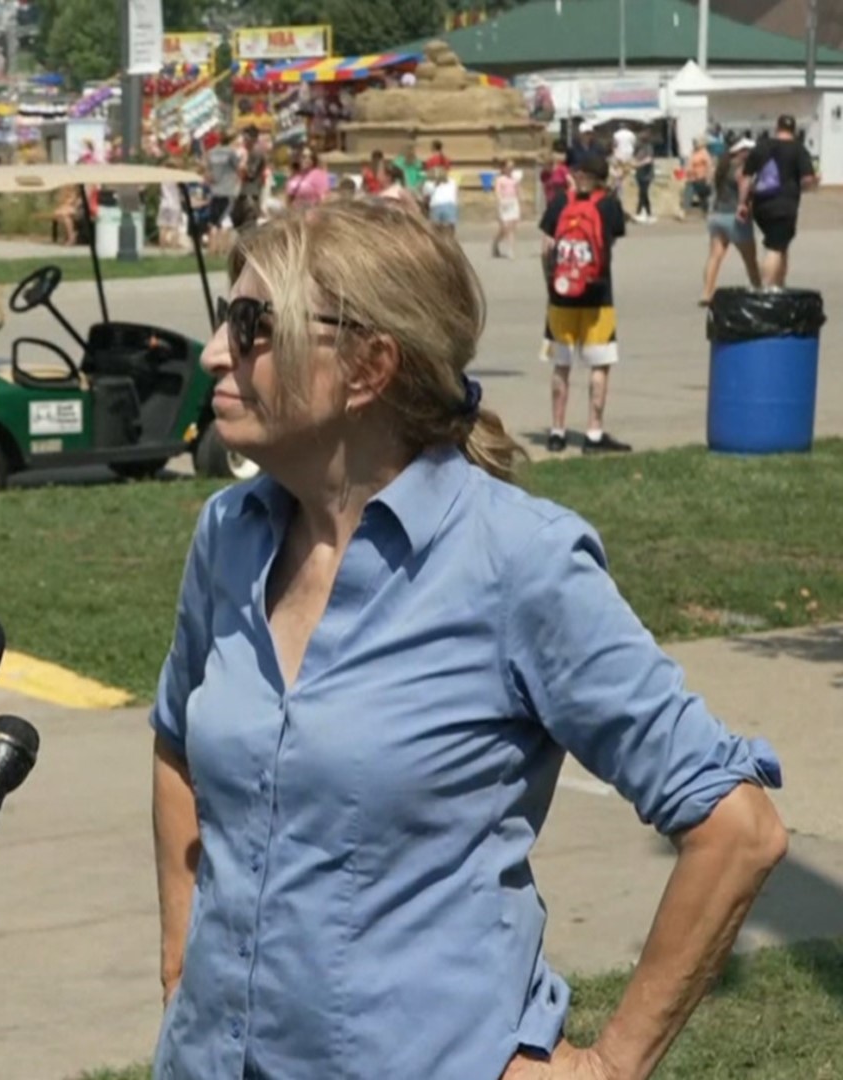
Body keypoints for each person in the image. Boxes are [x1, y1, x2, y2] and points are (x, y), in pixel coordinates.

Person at [152, 197, 788, 1080]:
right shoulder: (230, 533)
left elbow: (738, 826)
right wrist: (185, 954)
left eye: (255, 325)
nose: (218, 350)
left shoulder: (518, 561)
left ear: (371, 365)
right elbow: (178, 738)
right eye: (226, 318)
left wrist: (609, 1066)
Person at [539, 155, 631, 454]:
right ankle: (593, 434)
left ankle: (556, 432)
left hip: (561, 295)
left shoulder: (559, 203)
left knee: (561, 365)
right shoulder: (608, 204)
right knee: (599, 365)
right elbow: (612, 239)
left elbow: (546, 247)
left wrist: (551, 283)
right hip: (598, 295)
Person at [739, 114, 819, 288]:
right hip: (785, 206)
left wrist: (742, 203)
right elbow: (806, 181)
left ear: (777, 128)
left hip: (761, 205)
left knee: (781, 244)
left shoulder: (761, 147)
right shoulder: (798, 149)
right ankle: (767, 288)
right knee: (775, 248)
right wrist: (814, 182)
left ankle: (780, 285)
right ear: (794, 130)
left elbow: (746, 177)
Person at [702, 138, 763, 305]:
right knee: (750, 258)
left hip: (716, 215)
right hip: (734, 217)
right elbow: (746, 186)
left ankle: (707, 293)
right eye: (748, 151)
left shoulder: (721, 166)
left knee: (715, 257)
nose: (751, 154)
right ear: (741, 151)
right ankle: (758, 289)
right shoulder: (741, 169)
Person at [492, 157, 523, 258]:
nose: (511, 169)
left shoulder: (515, 179)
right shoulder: (499, 179)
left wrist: (520, 203)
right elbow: (497, 192)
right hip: (504, 203)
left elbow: (518, 191)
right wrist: (500, 202)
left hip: (513, 202)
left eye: (512, 167)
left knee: (511, 228)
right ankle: (496, 243)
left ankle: (510, 250)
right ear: (503, 168)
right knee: (504, 228)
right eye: (509, 167)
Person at [424, 159, 459, 238]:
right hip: (451, 205)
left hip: (436, 205)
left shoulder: (429, 183)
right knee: (450, 230)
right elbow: (455, 193)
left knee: (435, 231)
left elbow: (426, 197)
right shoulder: (452, 181)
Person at [631, 133, 656, 224]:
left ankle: (640, 213)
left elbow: (649, 159)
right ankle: (647, 214)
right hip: (639, 175)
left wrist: (638, 164)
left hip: (647, 175)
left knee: (643, 193)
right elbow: (633, 157)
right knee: (642, 193)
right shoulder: (638, 148)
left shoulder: (648, 147)